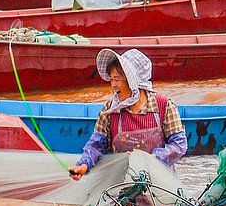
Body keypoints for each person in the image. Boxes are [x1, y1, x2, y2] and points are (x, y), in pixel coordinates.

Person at [68, 48, 187, 178]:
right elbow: (95, 146)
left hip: (159, 184)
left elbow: (178, 146)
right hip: (123, 184)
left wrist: (152, 158)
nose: (113, 85)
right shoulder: (110, 111)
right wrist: (83, 166)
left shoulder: (164, 107)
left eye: (117, 80)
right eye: (111, 80)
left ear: (133, 81)